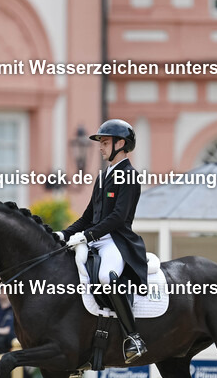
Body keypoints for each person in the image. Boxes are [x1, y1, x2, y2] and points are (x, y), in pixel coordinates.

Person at [55, 119, 149, 363]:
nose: (100, 147)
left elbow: (118, 217)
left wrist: (88, 235)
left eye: (105, 143)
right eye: (101, 143)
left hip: (115, 240)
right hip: (95, 238)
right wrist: (64, 234)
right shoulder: (103, 176)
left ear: (121, 144)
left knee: (107, 277)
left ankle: (134, 338)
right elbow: (88, 216)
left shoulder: (129, 176)